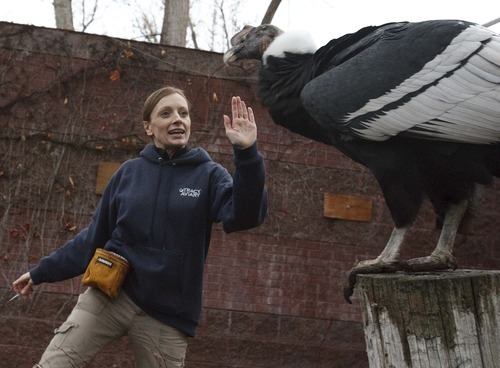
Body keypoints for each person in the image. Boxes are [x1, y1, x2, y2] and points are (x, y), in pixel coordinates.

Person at [12, 86, 268, 368]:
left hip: (167, 312)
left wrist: (247, 154)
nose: (178, 120)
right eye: (166, 113)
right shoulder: (129, 173)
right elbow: (92, 239)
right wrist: (40, 272)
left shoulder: (208, 176)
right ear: (148, 127)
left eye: (183, 113)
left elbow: (245, 215)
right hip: (110, 294)